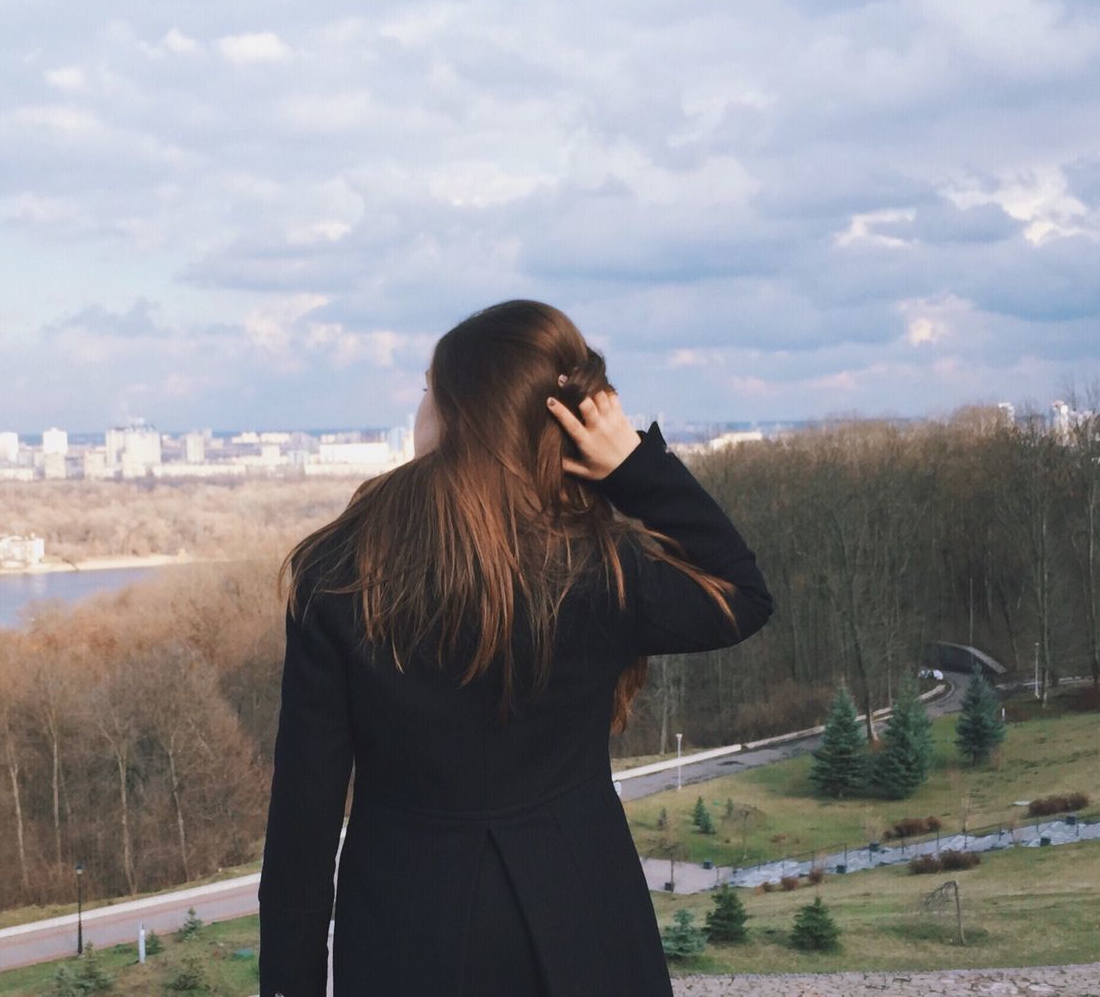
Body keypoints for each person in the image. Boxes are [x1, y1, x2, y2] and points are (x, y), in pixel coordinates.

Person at [257, 299, 776, 996]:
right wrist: (633, 467)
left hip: (403, 936)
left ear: (459, 413)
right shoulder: (599, 564)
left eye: (426, 390)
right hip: (586, 923)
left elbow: (304, 825)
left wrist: (288, 987)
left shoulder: (342, 571)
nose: (419, 408)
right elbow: (742, 593)